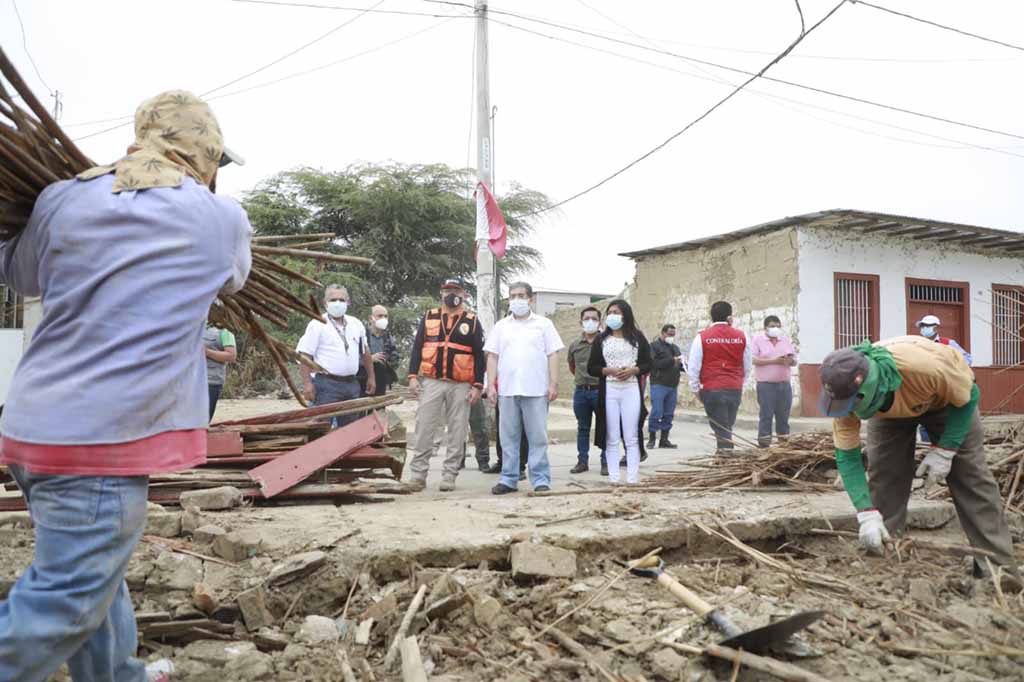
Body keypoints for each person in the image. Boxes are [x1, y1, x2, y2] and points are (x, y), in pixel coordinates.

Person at [0, 90, 251, 681]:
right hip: (101, 445)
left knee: (96, 575)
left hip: (32, 430)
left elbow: (18, 272)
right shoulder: (219, 219)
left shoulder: (61, 198)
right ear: (206, 155)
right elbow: (233, 281)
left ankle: (117, 676)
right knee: (67, 600)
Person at [820, 336, 1019, 581]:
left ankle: (997, 568)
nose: (847, 412)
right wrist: (865, 513)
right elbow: (848, 458)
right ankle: (884, 562)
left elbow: (969, 395)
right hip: (889, 411)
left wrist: (946, 450)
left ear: (865, 388)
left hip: (949, 403)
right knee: (885, 477)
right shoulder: (845, 399)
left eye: (851, 405)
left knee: (970, 477)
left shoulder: (924, 368)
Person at [406, 278, 485, 491]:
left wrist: (477, 385)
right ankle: (418, 475)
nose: (451, 294)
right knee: (424, 427)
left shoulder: (473, 321)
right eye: (447, 290)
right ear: (441, 293)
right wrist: (413, 376)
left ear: (464, 294)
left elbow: (479, 356)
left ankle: (449, 475)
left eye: (456, 290)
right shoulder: (429, 316)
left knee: (458, 430)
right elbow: (417, 348)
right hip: (431, 382)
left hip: (461, 385)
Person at [485, 282, 564, 494]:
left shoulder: (544, 324)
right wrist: (491, 385)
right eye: (513, 296)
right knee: (508, 437)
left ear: (530, 299)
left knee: (537, 437)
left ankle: (540, 479)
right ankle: (509, 478)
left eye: (521, 295)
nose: (516, 299)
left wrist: (553, 383)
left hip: (536, 389)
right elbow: (492, 356)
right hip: (508, 390)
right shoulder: (501, 326)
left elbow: (553, 354)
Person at [588, 299, 651, 485]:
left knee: (631, 436)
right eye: (610, 312)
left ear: (625, 314)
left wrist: (634, 370)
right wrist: (608, 370)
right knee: (612, 436)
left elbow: (649, 362)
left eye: (616, 312)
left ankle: (632, 479)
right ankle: (614, 479)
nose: (612, 316)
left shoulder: (637, 337)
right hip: (610, 389)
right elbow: (592, 367)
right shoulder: (601, 339)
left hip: (631, 388)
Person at [297, 285, 375, 427]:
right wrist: (307, 383)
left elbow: (365, 352)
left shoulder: (356, 324)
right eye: (333, 299)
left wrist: (371, 377)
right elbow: (304, 355)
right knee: (320, 428)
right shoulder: (317, 324)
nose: (337, 303)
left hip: (352, 384)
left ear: (348, 302)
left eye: (341, 299)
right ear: (325, 303)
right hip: (326, 385)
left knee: (350, 430)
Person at [687, 301, 751, 452]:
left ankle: (725, 456)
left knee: (721, 428)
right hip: (734, 387)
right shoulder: (742, 336)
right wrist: (740, 382)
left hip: (712, 388)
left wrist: (695, 389)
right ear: (730, 317)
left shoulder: (702, 337)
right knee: (727, 425)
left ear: (711, 317)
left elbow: (694, 367)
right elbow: (747, 364)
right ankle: (723, 455)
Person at [567, 306, 608, 474]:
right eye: (586, 318)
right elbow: (572, 366)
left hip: (601, 391)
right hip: (581, 392)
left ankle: (606, 462)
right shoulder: (575, 345)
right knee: (583, 428)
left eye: (594, 318)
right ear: (581, 322)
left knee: (605, 427)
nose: (590, 321)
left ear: (600, 322)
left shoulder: (606, 342)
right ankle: (582, 462)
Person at [751, 315, 797, 448]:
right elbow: (753, 360)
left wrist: (790, 360)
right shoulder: (758, 340)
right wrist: (774, 361)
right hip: (766, 386)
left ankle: (784, 445)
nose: (775, 329)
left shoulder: (785, 340)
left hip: (784, 385)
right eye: (772, 326)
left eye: (777, 326)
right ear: (765, 328)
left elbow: (794, 360)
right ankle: (764, 446)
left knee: (783, 417)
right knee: (766, 416)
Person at [648, 323, 683, 450]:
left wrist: (683, 364)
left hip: (672, 385)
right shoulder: (654, 347)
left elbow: (679, 365)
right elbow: (654, 363)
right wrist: (671, 360)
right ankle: (652, 438)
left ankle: (664, 439)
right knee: (657, 411)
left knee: (668, 414)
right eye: (669, 334)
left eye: (673, 335)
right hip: (659, 384)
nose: (671, 337)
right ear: (662, 333)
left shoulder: (675, 348)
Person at [359, 304, 399, 397]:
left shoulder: (388, 337)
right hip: (362, 380)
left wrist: (387, 364)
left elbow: (395, 358)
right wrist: (369, 359)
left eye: (385, 316)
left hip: (381, 381)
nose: (383, 319)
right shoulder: (362, 335)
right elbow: (353, 358)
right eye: (380, 316)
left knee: (379, 408)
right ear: (370, 318)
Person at [204, 323, 237, 422]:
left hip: (211, 381)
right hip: (191, 381)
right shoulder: (194, 325)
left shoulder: (225, 331)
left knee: (202, 420)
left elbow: (231, 356)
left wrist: (207, 352)